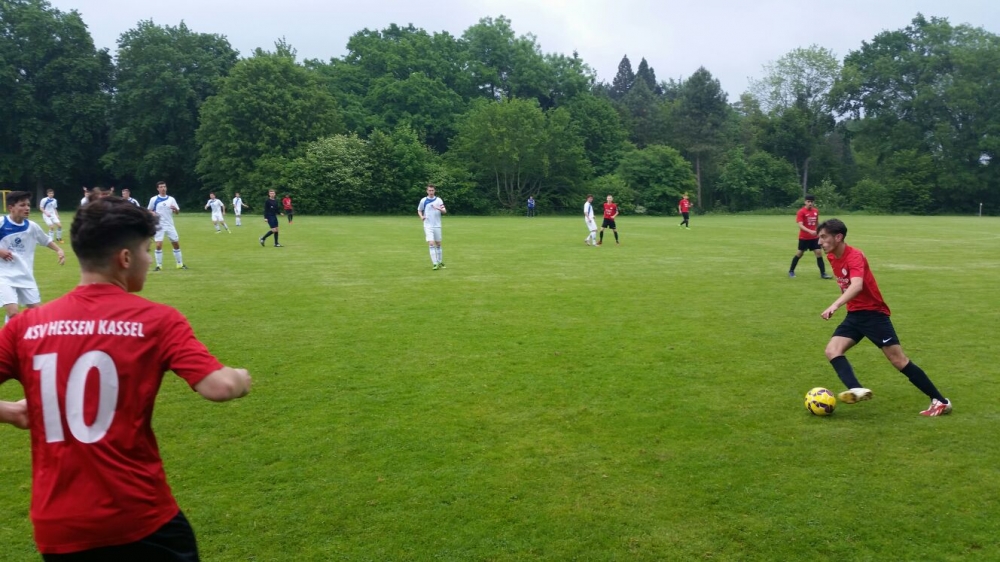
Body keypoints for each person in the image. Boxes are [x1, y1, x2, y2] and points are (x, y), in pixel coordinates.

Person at [0, 196, 252, 560]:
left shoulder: (25, 326)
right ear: (125, 258)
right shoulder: (157, 320)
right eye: (146, 250)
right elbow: (220, 386)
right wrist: (241, 377)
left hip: (58, 525)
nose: (149, 259)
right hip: (140, 516)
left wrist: (13, 412)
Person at [817, 218, 951, 416]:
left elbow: (857, 285)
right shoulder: (832, 257)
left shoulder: (855, 256)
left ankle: (941, 401)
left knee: (899, 360)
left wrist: (835, 305)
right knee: (832, 350)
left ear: (838, 237)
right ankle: (856, 389)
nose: (820, 242)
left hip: (874, 314)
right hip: (855, 315)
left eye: (823, 237)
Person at [0, 191, 66, 323]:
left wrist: (59, 250)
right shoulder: (2, 222)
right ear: (11, 207)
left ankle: (12, 331)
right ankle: (10, 334)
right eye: (22, 205)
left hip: (25, 275)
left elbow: (46, 240)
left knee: (37, 314)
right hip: (4, 275)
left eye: (28, 205)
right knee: (13, 312)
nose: (27, 208)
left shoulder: (32, 227)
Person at [790, 194, 832, 279]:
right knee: (799, 254)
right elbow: (800, 225)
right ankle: (791, 271)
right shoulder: (801, 212)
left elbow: (816, 223)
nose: (810, 203)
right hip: (804, 238)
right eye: (808, 201)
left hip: (814, 238)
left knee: (819, 253)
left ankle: (823, 273)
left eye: (812, 202)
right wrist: (810, 231)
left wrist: (821, 230)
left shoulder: (815, 211)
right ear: (805, 202)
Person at [147, 181, 187, 270]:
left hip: (169, 225)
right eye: (161, 187)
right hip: (159, 225)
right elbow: (149, 210)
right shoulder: (153, 199)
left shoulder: (171, 199)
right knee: (158, 245)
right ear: (157, 189)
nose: (163, 188)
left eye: (164, 186)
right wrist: (152, 213)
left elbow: (177, 212)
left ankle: (180, 264)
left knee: (176, 244)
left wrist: (175, 209)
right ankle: (159, 266)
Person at [417, 183, 446, 270]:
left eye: (432, 190)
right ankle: (435, 263)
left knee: (438, 244)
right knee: (431, 243)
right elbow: (419, 210)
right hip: (428, 225)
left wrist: (439, 209)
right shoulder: (423, 200)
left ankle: (440, 262)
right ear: (427, 191)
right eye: (429, 190)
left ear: (434, 191)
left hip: (437, 225)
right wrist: (421, 217)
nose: (431, 192)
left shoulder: (439, 200)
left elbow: (444, 211)